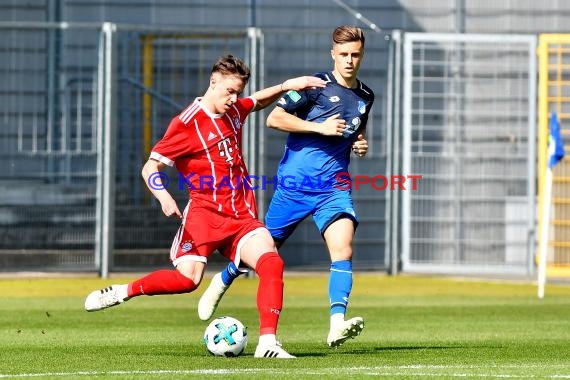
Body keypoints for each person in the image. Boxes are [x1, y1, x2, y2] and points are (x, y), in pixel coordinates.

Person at [84, 54, 326, 359]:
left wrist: (286, 85)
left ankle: (268, 343)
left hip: (241, 216)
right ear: (213, 83)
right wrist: (164, 196)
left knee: (272, 263)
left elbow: (255, 102)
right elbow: (150, 168)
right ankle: (123, 291)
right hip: (204, 216)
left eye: (237, 91)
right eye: (229, 91)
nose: (234, 98)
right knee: (188, 280)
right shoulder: (186, 123)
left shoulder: (234, 111)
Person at [198, 25, 374, 349]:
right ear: (333, 54)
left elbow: (354, 132)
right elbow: (274, 119)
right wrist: (318, 127)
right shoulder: (314, 87)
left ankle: (337, 323)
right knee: (261, 253)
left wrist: (360, 144)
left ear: (362, 55)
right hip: (294, 188)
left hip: (333, 188)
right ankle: (222, 280)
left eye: (356, 55)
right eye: (344, 54)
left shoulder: (365, 96)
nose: (350, 60)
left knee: (343, 248)